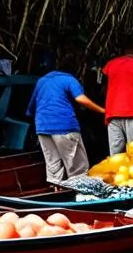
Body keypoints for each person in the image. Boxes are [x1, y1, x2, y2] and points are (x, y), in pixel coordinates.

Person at [26, 53, 105, 182]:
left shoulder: (42, 81)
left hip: (43, 128)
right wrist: (102, 110)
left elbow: (31, 109)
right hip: (64, 126)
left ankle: (56, 192)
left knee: (53, 166)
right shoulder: (69, 79)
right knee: (77, 168)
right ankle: (81, 196)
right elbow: (80, 99)